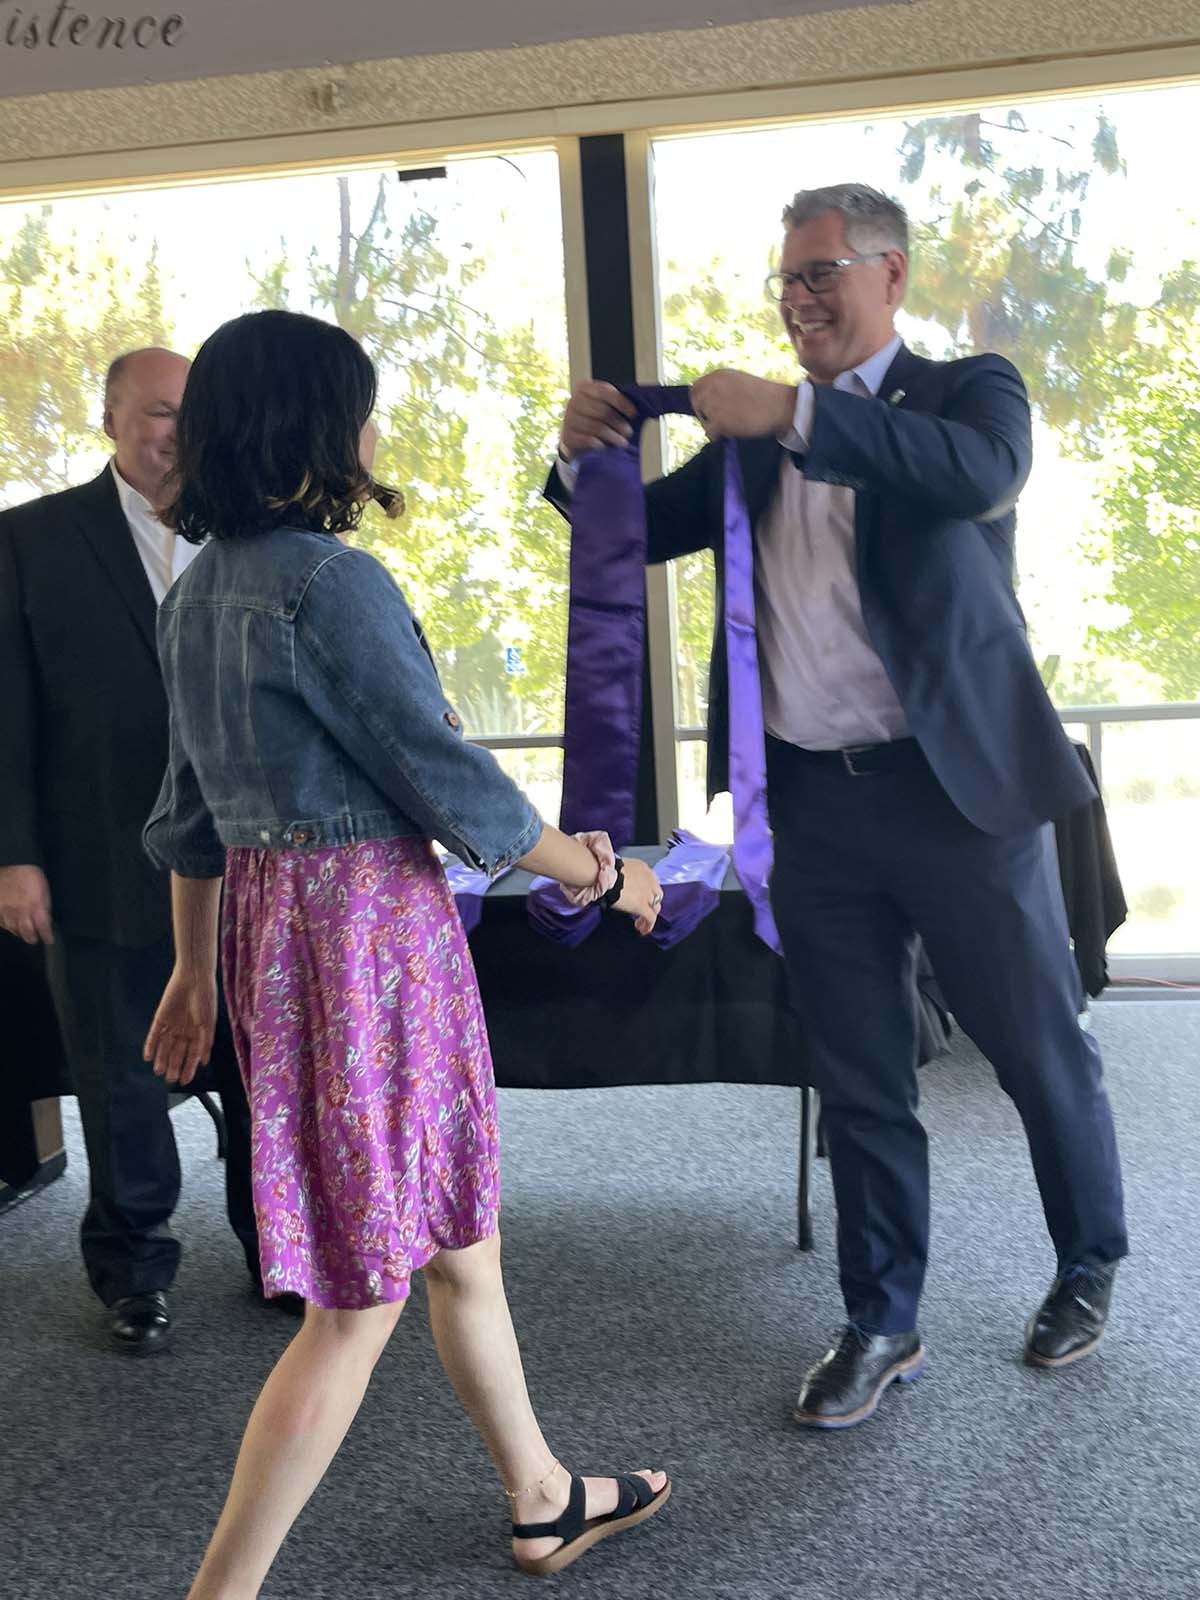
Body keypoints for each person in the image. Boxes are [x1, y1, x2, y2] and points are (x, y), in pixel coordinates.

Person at [549, 182, 1127, 1430]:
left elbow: (978, 477)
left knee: (1035, 1049)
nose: (801, 299)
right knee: (860, 1074)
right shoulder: (752, 443)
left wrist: (803, 412)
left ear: (892, 276)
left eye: (823, 274)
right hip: (807, 805)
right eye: (788, 282)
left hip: (955, 795)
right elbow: (631, 538)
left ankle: (1090, 1263)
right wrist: (579, 457)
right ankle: (882, 1320)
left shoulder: (970, 391)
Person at [141, 308, 670, 1592]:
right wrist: (606, 871)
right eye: (360, 409)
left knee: (451, 1238)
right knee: (358, 1298)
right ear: (319, 428)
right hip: (364, 938)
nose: (372, 433)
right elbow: (451, 782)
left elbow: (191, 822)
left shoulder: (198, 586)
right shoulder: (329, 581)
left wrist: (195, 970)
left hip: (279, 939)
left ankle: (543, 1496)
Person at [0, 348, 269, 1355]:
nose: (178, 432)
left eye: (194, 413)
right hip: (96, 858)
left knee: (259, 1075)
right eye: (159, 411)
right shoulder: (27, 539)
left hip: (247, 865)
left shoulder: (252, 529)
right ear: (111, 418)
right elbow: (6, 711)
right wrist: (11, 853)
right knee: (119, 1079)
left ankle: (279, 1252)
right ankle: (133, 1271)